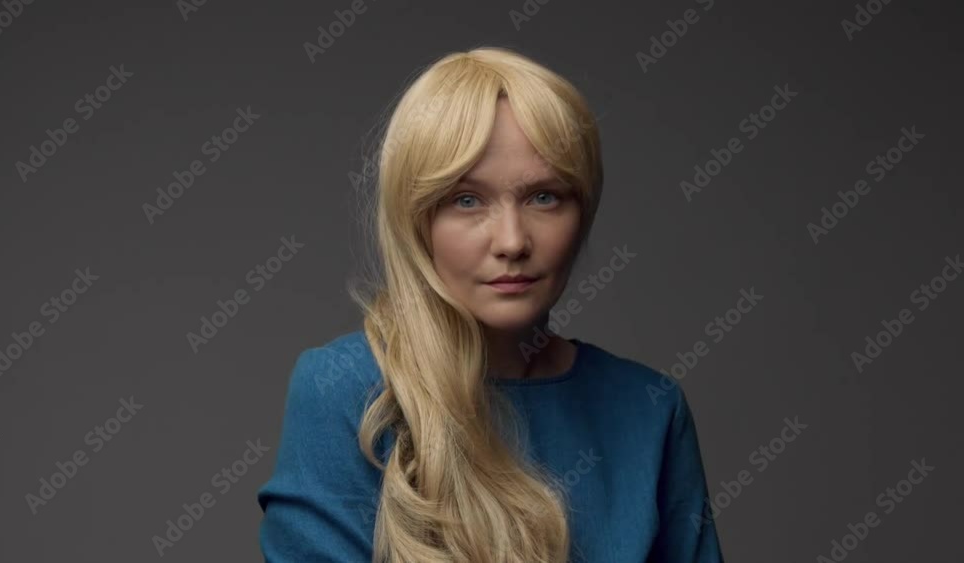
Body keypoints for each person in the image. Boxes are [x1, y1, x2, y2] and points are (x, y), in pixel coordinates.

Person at [257, 46, 725, 563]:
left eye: (544, 197)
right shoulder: (345, 390)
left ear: (583, 211)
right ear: (416, 221)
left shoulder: (648, 407)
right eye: (467, 200)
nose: (512, 241)